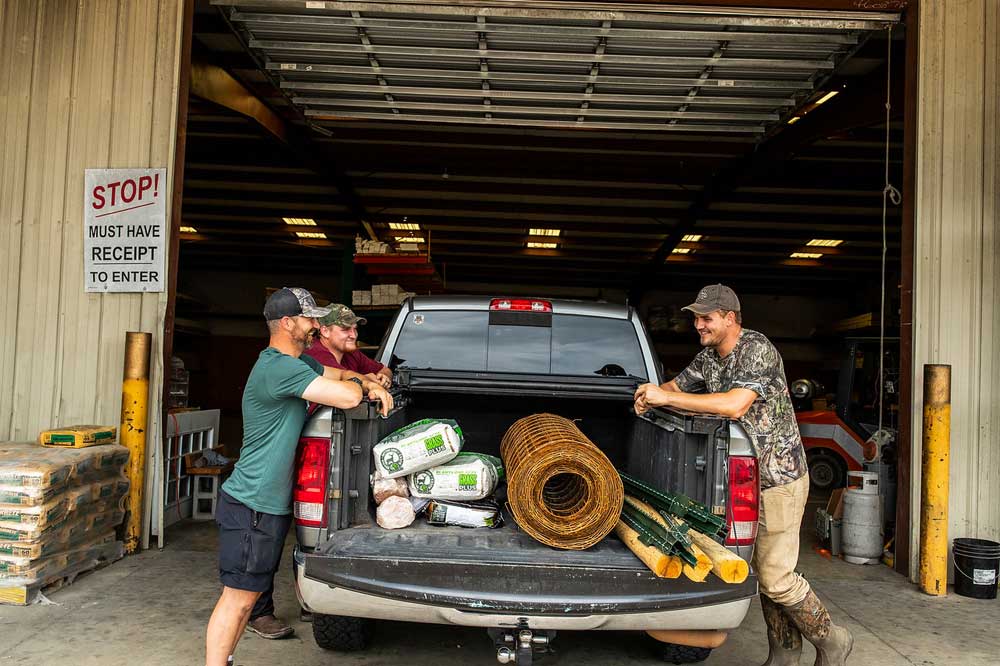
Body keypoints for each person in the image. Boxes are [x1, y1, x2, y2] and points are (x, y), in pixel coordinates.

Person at [633, 284, 853, 666]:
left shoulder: (757, 349)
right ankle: (784, 654)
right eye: (696, 318)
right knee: (765, 572)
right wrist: (649, 393)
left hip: (777, 480)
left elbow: (735, 405)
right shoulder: (708, 358)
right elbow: (674, 387)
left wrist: (666, 398)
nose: (698, 325)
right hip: (738, 482)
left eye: (706, 318)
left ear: (730, 318)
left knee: (775, 576)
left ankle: (833, 640)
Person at [205, 287, 393, 666]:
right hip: (252, 504)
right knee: (238, 598)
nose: (315, 326)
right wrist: (364, 385)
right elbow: (345, 396)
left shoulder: (299, 363)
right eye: (309, 319)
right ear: (287, 323)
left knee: (247, 599)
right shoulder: (279, 368)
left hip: (267, 506)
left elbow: (339, 372)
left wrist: (367, 379)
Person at [304, 304, 392, 388]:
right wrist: (369, 380)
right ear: (325, 331)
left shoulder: (350, 352)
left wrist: (383, 378)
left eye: (355, 329)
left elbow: (385, 370)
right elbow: (343, 385)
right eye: (345, 329)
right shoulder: (315, 352)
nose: (353, 335)